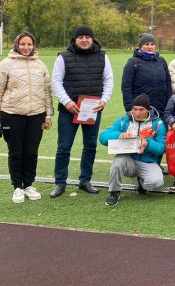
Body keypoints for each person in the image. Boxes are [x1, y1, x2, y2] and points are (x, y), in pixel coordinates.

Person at [50, 25, 113, 198]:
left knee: (90, 146)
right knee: (64, 147)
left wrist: (104, 100)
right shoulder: (63, 57)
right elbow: (56, 82)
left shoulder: (102, 56)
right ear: (75, 39)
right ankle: (60, 182)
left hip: (92, 109)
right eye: (81, 37)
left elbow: (108, 80)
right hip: (68, 110)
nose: (84, 40)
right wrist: (67, 102)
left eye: (87, 37)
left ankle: (85, 180)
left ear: (92, 39)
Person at [0, 32, 53, 203]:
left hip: (36, 115)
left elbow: (47, 92)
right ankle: (17, 187)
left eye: (29, 44)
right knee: (16, 152)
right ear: (16, 45)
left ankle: (28, 185)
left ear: (33, 46)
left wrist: (48, 114)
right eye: (22, 44)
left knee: (31, 152)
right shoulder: (5, 64)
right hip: (11, 114)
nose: (26, 47)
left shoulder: (40, 65)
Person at [99, 94, 166, 206]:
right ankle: (114, 192)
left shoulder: (158, 124)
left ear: (148, 110)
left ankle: (142, 181)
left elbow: (161, 148)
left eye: (141, 110)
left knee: (157, 183)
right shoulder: (123, 121)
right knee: (117, 163)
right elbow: (102, 137)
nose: (137, 113)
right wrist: (119, 135)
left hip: (147, 162)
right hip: (128, 159)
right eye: (134, 109)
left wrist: (148, 143)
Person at [121, 33, 172, 114]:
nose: (150, 47)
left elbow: (168, 83)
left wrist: (169, 104)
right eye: (147, 44)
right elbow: (126, 86)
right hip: (141, 110)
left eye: (152, 44)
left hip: (161, 108)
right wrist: (129, 108)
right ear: (141, 46)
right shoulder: (133, 62)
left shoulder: (161, 61)